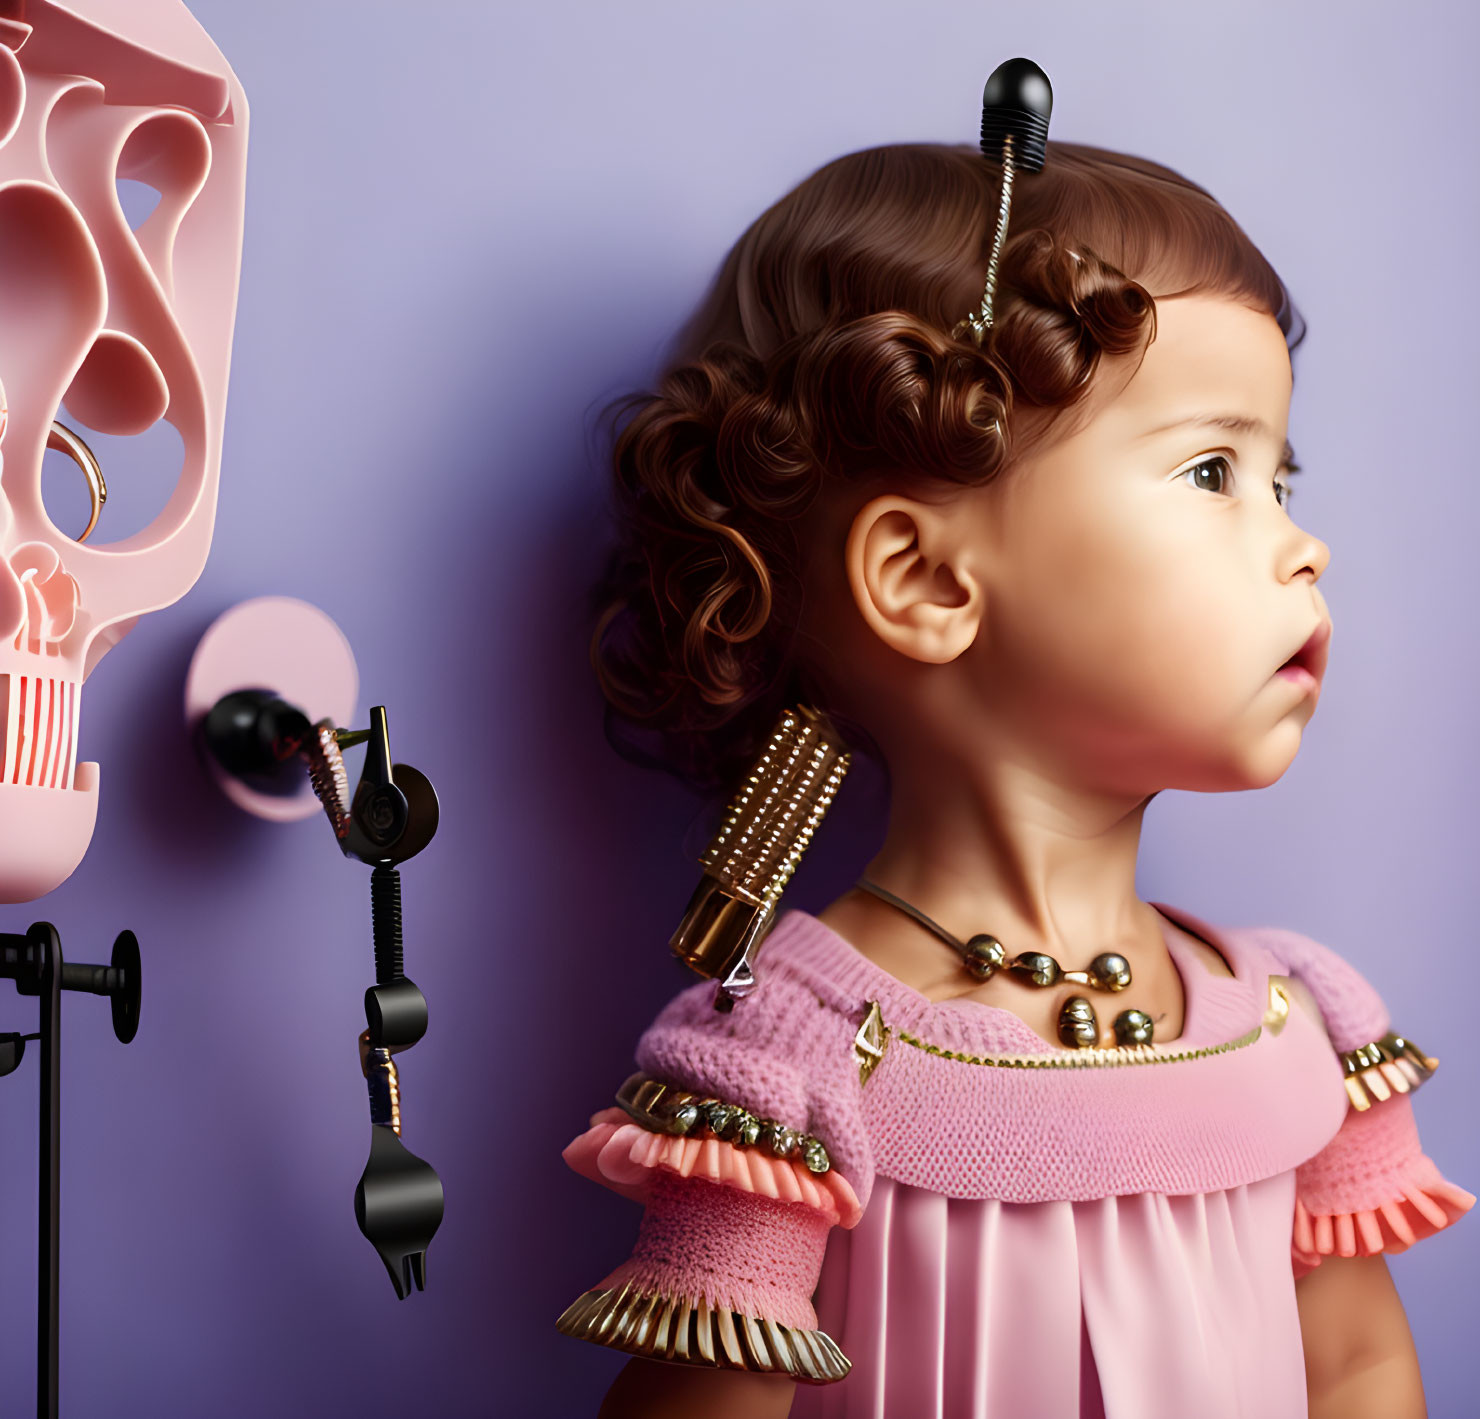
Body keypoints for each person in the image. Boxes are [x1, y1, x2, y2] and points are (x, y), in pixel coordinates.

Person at [556, 136, 1474, 1418]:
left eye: (1281, 476)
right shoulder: (789, 1073)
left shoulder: (1301, 1027)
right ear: (927, 580)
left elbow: (1363, 1367)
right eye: (1214, 472)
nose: (1302, 545)